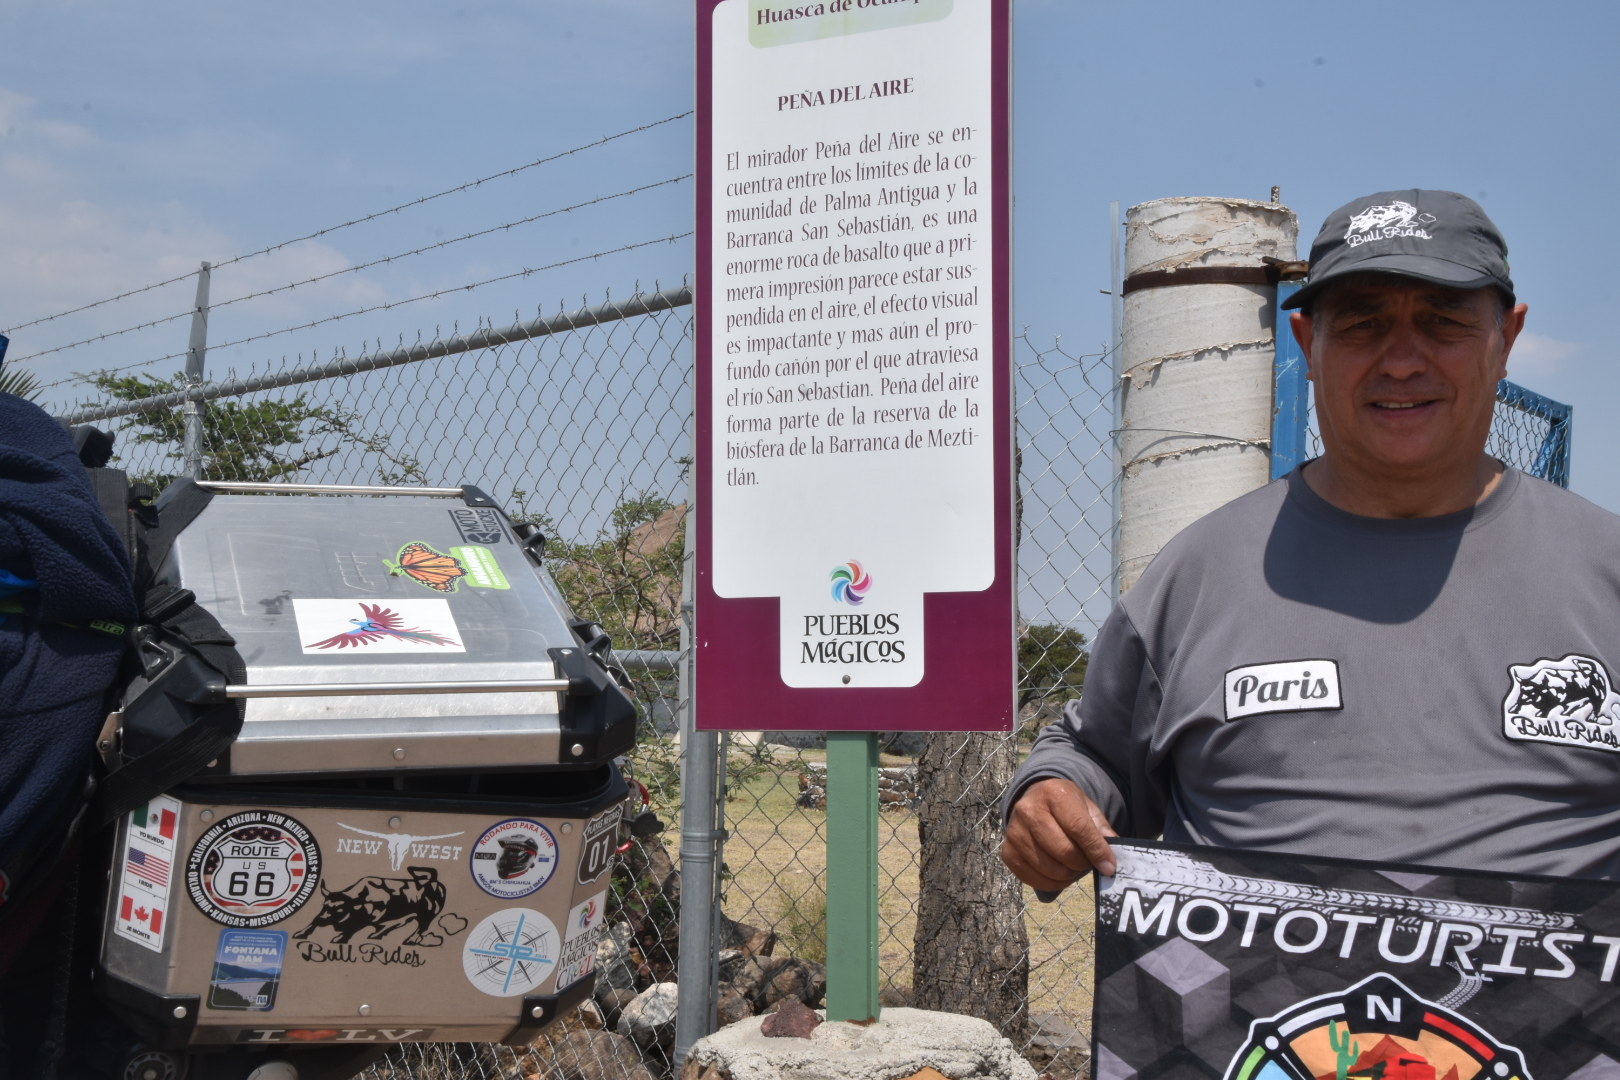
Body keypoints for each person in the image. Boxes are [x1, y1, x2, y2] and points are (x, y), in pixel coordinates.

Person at [1001, 188, 1620, 894]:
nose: (1402, 360)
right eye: (1363, 324)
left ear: (1505, 340)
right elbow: (1097, 757)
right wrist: (1053, 789)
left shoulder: (1605, 576)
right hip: (1254, 1004)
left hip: (1555, 1007)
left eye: (1443, 322)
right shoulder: (1200, 575)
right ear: (1309, 346)